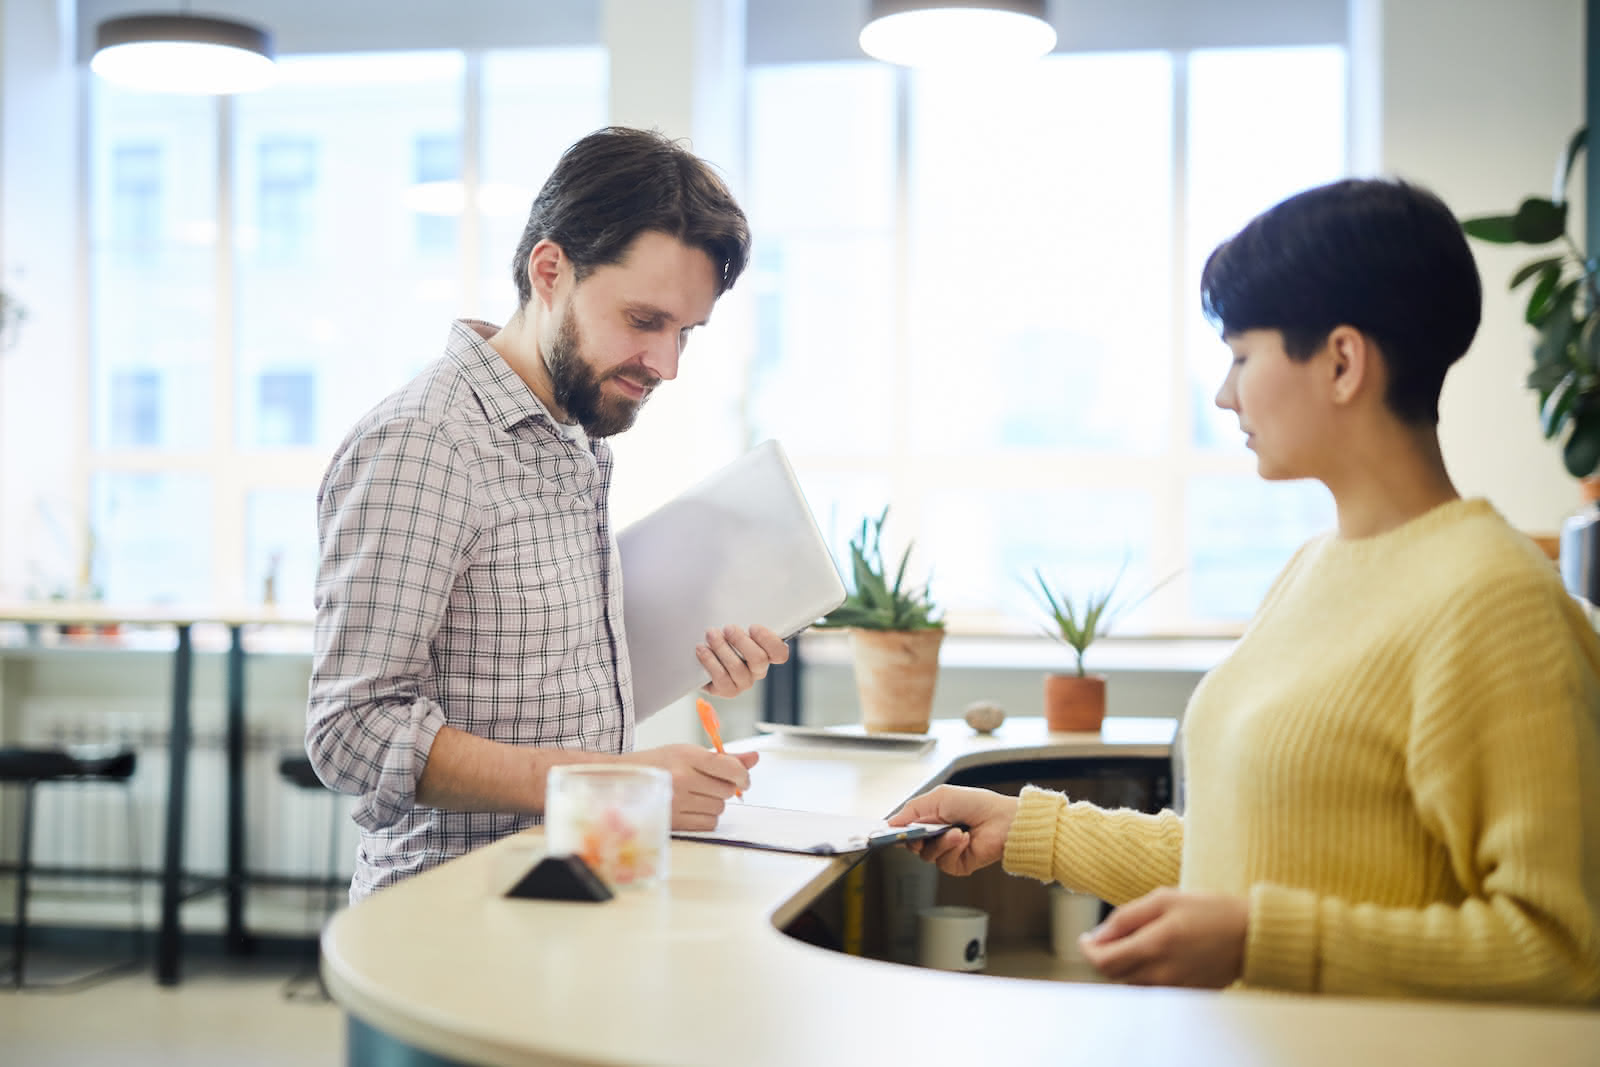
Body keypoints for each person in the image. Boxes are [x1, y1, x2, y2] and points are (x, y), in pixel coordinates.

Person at [889, 178, 1600, 1004]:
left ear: (1341, 361)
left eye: (1239, 356)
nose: (1225, 394)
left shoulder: (1497, 603)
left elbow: (1563, 949)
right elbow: (1252, 848)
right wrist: (1026, 827)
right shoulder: (1311, 569)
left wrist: (1262, 940)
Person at [307, 127, 789, 901]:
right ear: (550, 270)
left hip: (574, 881)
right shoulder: (425, 441)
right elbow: (351, 734)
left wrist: (694, 648)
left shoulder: (576, 432)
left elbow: (528, 670)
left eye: (685, 333)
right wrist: (614, 780)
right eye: (644, 321)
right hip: (451, 914)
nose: (666, 365)